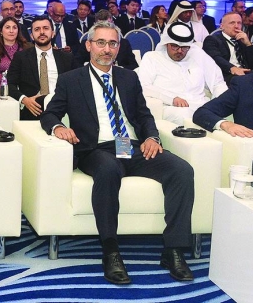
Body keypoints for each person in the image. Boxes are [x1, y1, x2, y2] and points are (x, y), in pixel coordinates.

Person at [40, 20, 195, 285]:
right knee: (109, 170)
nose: (106, 49)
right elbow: (50, 113)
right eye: (100, 43)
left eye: (112, 43)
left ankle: (174, 249)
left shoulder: (128, 77)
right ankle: (110, 250)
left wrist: (151, 137)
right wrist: (57, 127)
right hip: (96, 149)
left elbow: (144, 115)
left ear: (118, 46)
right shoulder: (71, 80)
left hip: (132, 146)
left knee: (181, 170)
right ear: (89, 45)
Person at [136, 22, 228, 126]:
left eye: (184, 47)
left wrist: (220, 104)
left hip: (202, 106)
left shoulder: (198, 56)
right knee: (185, 115)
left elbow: (218, 83)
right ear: (166, 43)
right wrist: (172, 98)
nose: (180, 51)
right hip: (172, 108)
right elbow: (143, 86)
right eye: (175, 46)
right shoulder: (152, 58)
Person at [5, 16, 77, 118]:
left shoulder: (67, 58)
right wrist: (24, 100)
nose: (42, 32)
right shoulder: (21, 57)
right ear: (32, 36)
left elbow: (77, 84)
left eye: (46, 28)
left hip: (63, 108)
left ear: (53, 33)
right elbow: (10, 84)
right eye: (37, 29)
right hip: (34, 108)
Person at [202, 11, 253, 84]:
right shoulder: (212, 39)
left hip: (245, 73)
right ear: (222, 26)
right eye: (232, 23)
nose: (236, 26)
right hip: (226, 74)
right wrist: (232, 68)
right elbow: (216, 58)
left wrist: (248, 44)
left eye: (239, 23)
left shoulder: (242, 40)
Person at [0, 17, 29, 88]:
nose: (11, 31)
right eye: (7, 27)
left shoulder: (28, 48)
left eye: (14, 28)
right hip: (2, 85)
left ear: (18, 31)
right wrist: (9, 79)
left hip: (24, 85)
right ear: (1, 31)